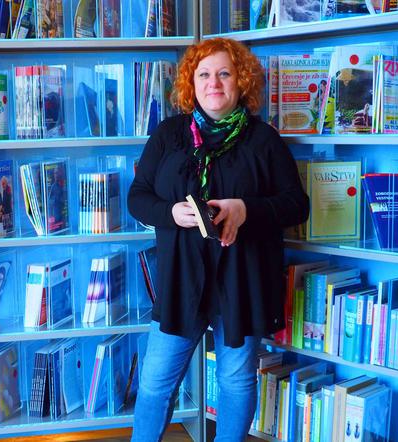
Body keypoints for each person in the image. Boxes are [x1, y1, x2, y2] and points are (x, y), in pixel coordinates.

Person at [128, 37, 309, 441]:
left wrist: (245, 210)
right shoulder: (168, 135)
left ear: (240, 81)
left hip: (241, 284)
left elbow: (297, 206)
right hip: (180, 283)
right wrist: (171, 213)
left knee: (236, 381)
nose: (214, 82)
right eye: (204, 74)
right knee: (155, 383)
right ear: (191, 83)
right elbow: (137, 198)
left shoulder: (264, 140)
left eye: (224, 73)